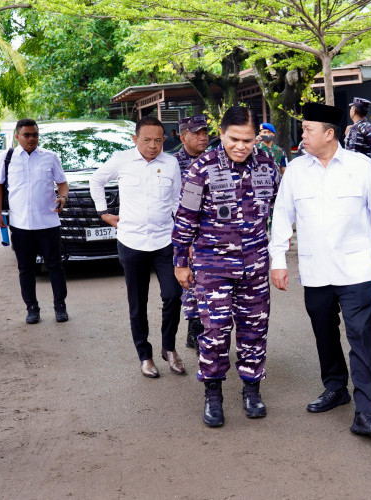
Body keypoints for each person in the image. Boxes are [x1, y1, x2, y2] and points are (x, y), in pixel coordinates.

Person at [270, 102, 371, 436]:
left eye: (309, 129)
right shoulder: (296, 170)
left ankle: (366, 410)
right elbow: (282, 216)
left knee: (360, 337)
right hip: (315, 271)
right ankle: (336, 387)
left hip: (356, 270)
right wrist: (278, 261)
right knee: (324, 333)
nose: (303, 134)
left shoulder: (361, 166)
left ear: (329, 133)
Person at [172, 106, 278, 428]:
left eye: (248, 140)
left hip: (255, 265)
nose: (242, 146)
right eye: (234, 139)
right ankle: (213, 394)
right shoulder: (201, 169)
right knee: (215, 333)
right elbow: (186, 218)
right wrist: (180, 262)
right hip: (212, 266)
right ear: (222, 134)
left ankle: (251, 389)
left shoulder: (267, 164)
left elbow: (278, 209)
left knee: (254, 330)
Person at [90, 116, 184, 379]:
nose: (153, 146)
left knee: (173, 295)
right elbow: (96, 180)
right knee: (137, 302)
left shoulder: (171, 163)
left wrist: (184, 235)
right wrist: (104, 213)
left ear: (164, 140)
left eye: (158, 140)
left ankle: (169, 347)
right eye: (147, 140)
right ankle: (145, 355)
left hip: (165, 240)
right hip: (132, 242)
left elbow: (177, 200)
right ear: (135, 139)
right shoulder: (121, 160)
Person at [0, 119, 69, 325]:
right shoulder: (6, 158)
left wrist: (63, 198)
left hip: (48, 222)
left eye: (35, 134)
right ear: (17, 136)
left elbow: (62, 183)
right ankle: (32, 308)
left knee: (55, 265)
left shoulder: (50, 157)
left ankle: (60, 305)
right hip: (21, 224)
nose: (31, 139)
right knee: (25, 268)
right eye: (26, 135)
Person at [174, 114, 210, 354]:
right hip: (184, 232)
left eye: (205, 132)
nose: (203, 137)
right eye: (196, 133)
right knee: (189, 284)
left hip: (210, 234)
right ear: (182, 136)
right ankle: (194, 328)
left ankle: (205, 329)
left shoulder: (215, 160)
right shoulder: (173, 163)